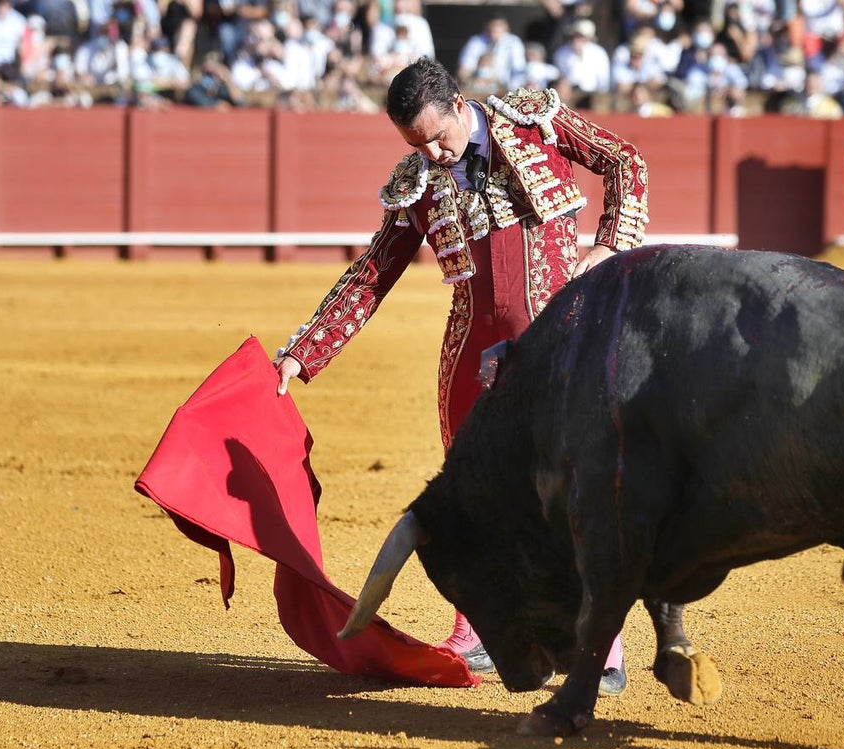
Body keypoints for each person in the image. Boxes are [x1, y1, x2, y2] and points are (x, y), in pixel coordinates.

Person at [273, 57, 648, 695]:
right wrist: (302, 352)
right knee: (475, 497)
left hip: (562, 341)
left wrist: (612, 242)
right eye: (414, 145)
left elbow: (625, 162)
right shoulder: (415, 182)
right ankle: (475, 629)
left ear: (458, 104)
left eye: (436, 137)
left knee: (578, 489)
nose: (433, 154)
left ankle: (600, 640)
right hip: (471, 354)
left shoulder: (534, 123)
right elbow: (373, 273)